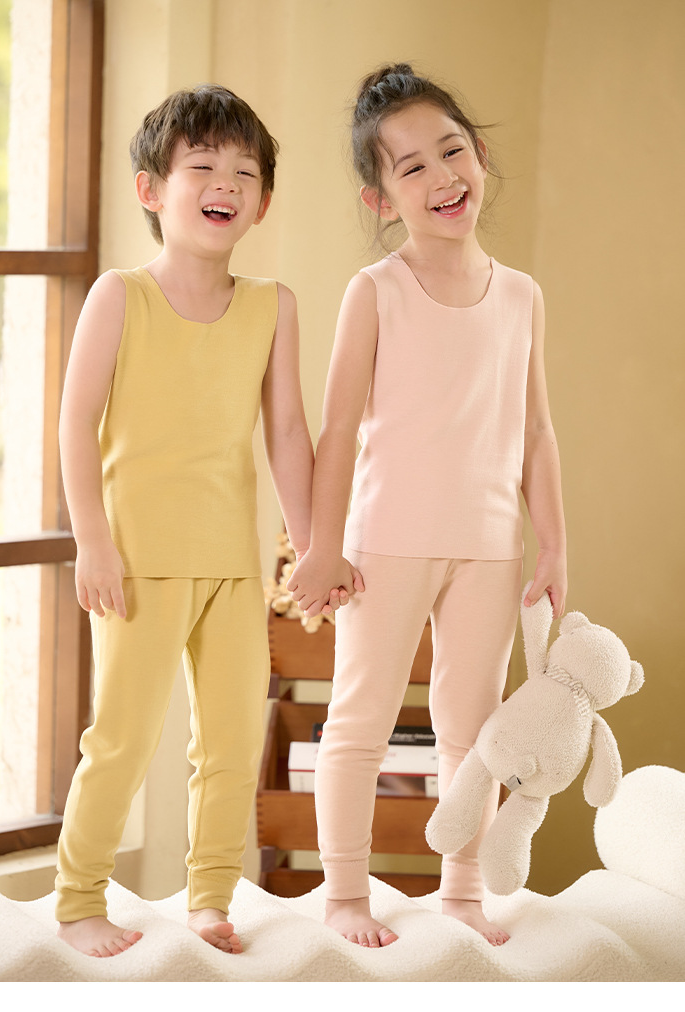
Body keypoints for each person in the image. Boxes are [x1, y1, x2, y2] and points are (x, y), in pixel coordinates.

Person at [55, 85, 357, 959]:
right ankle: (78, 900)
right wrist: (92, 542)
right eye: (203, 166)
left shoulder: (273, 304)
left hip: (231, 564)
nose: (225, 182)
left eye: (244, 172)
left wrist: (313, 547)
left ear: (263, 202)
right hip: (135, 563)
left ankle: (210, 899)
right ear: (152, 189)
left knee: (229, 742)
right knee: (120, 740)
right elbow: (74, 424)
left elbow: (289, 433)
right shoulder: (119, 296)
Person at [287, 64, 567, 948]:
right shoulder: (375, 291)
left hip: (489, 548)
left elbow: (537, 431)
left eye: (451, 152)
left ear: (478, 155)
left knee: (474, 731)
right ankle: (344, 894)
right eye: (411, 167)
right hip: (387, 543)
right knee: (359, 722)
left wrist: (553, 547)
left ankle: (462, 893)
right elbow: (338, 433)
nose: (441, 177)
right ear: (381, 199)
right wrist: (321, 546)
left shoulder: (521, 295)